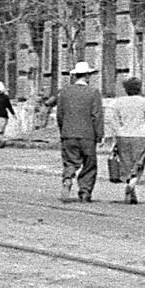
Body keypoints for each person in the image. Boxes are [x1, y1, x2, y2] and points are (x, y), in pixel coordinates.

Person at [53, 63, 105, 203]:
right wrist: (99, 135)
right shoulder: (93, 92)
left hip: (68, 134)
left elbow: (60, 115)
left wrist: (63, 130)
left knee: (70, 161)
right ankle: (85, 192)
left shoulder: (64, 92)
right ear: (87, 76)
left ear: (75, 75)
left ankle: (68, 178)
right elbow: (96, 115)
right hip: (87, 135)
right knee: (89, 164)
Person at [102, 75, 145, 204]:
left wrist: (118, 134)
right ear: (139, 88)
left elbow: (113, 121)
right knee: (138, 164)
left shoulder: (118, 102)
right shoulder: (144, 102)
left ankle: (130, 189)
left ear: (126, 89)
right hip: (140, 136)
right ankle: (132, 185)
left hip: (123, 137)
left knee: (126, 164)